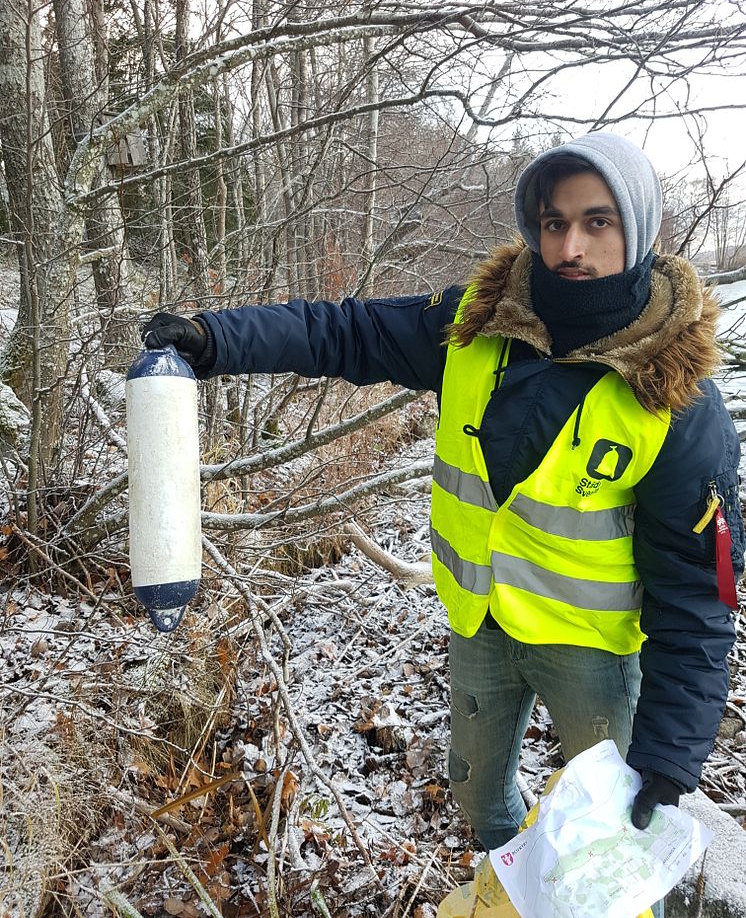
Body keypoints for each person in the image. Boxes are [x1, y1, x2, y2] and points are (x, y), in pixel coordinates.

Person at [143, 132, 743, 913]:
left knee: (614, 844)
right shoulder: (478, 320)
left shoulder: (677, 401)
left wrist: (670, 751)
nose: (569, 244)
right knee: (478, 793)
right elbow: (344, 331)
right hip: (480, 623)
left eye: (598, 222)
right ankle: (509, 892)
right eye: (553, 220)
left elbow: (700, 593)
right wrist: (215, 338)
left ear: (639, 226)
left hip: (592, 653)